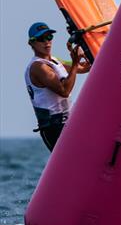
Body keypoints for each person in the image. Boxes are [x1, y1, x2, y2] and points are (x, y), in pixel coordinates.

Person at [24, 22, 90, 151]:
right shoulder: (38, 67)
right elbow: (64, 91)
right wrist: (76, 63)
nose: (46, 42)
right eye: (41, 39)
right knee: (70, 167)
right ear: (31, 43)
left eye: (49, 37)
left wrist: (86, 50)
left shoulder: (55, 61)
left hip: (68, 122)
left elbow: (82, 68)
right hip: (53, 128)